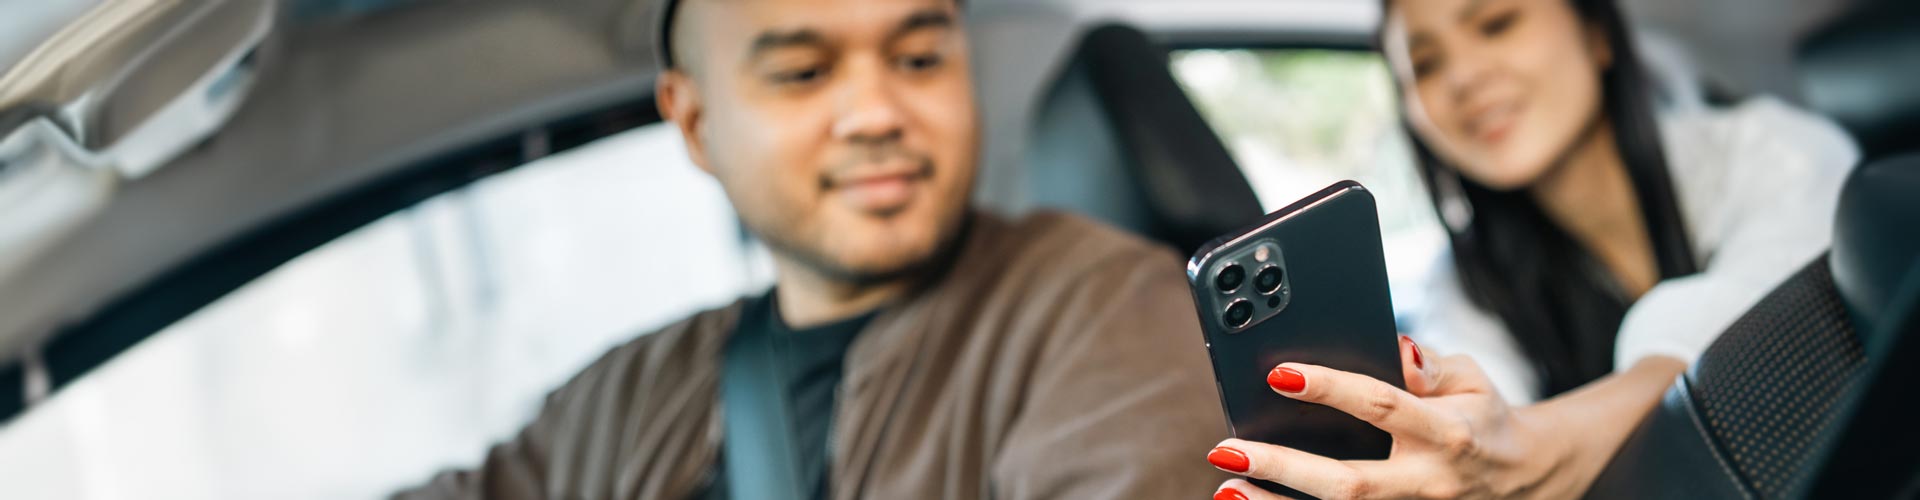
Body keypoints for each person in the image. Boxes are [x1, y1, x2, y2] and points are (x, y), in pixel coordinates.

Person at [391, 0, 1232, 499]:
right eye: (802, 72)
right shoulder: (627, 395)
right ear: (695, 122)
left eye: (919, 57)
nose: (877, 112)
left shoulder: (1100, 308)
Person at [1202, 0, 1858, 498]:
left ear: (1596, 34)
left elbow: (1758, 326)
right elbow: (1480, 406)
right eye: (1425, 64)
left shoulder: (1779, 154)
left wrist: (1525, 450)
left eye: (1495, 23)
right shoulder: (1462, 286)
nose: (1461, 77)